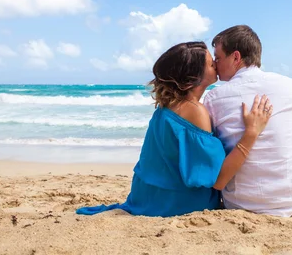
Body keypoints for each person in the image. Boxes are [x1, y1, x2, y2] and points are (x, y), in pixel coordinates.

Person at [76, 41, 273, 217]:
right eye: (210, 63)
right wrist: (251, 133)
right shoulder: (196, 111)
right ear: (194, 75)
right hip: (177, 204)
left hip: (146, 196)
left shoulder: (166, 105)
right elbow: (219, 181)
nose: (215, 62)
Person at [203, 25, 292, 217]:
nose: (215, 64)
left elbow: (212, 153)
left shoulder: (214, 98)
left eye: (218, 57)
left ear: (236, 57)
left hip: (243, 203)